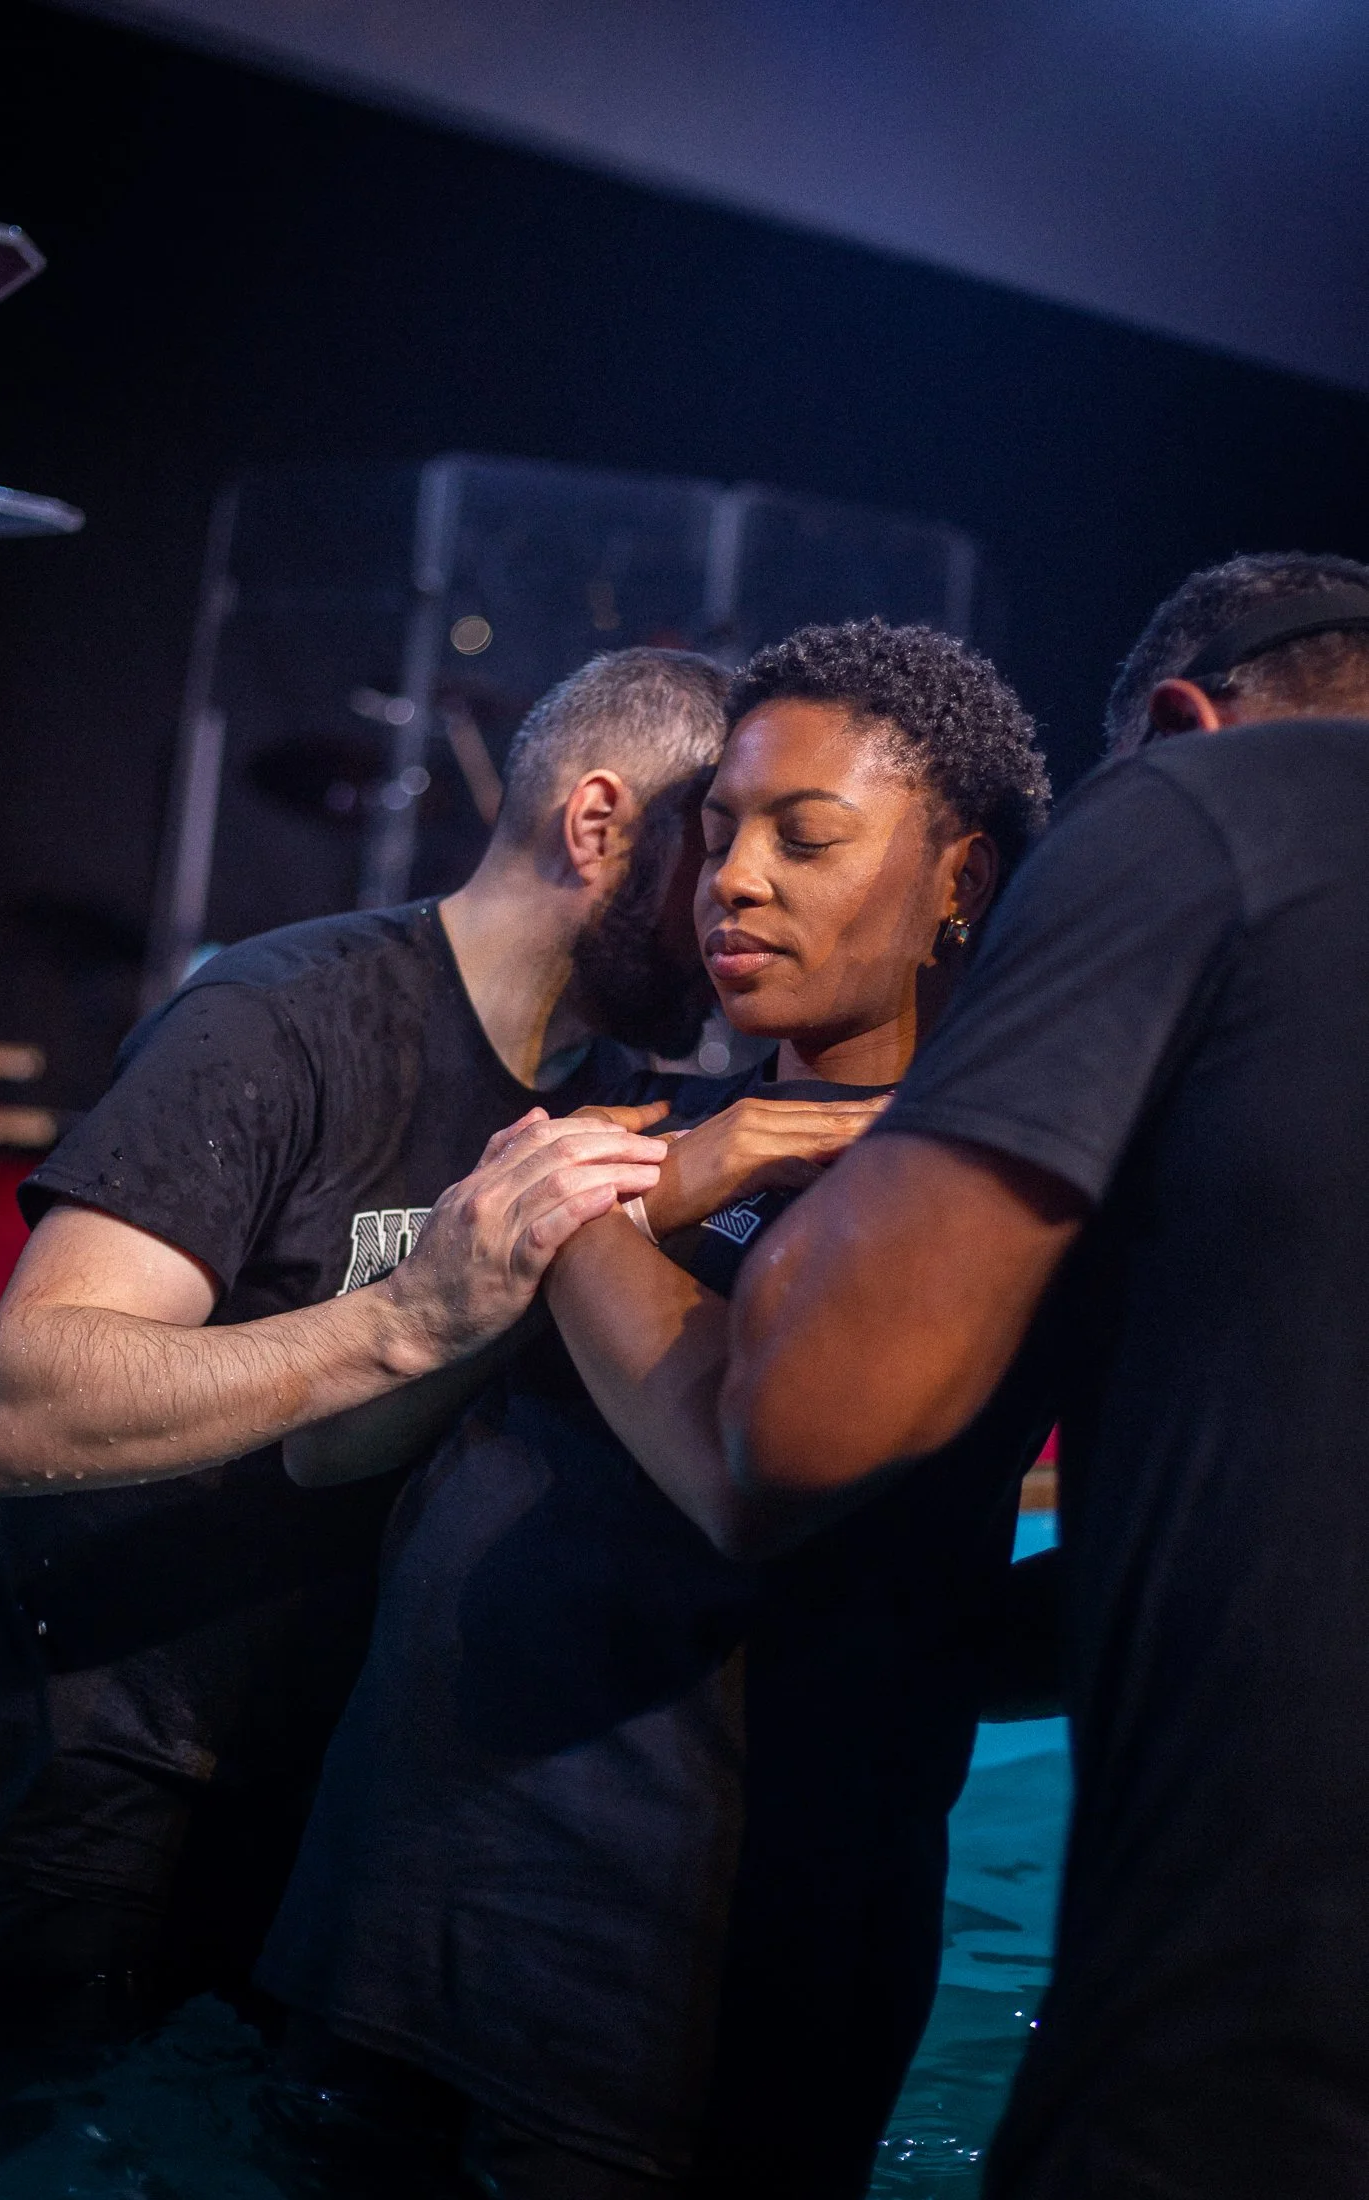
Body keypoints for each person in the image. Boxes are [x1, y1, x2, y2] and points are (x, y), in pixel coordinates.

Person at [257, 617, 1054, 2199]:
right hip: (377, 1938)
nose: (731, 880)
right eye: (720, 830)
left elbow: (737, 1482)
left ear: (958, 878)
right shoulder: (635, 1119)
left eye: (802, 836)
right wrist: (633, 1180)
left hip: (656, 2012)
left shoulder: (976, 1180)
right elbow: (327, 1443)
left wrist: (569, 1215)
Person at [0, 649, 739, 2019]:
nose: (733, 898)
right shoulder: (278, 1017)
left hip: (346, 1800)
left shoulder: (614, 1097)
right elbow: (20, 1409)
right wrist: (412, 1316)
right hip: (106, 1789)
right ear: (597, 823)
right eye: (711, 844)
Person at [719, 552, 1369, 2200]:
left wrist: (581, 1219)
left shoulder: (1203, 807)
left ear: (1179, 727)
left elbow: (801, 1420)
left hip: (1259, 2018)